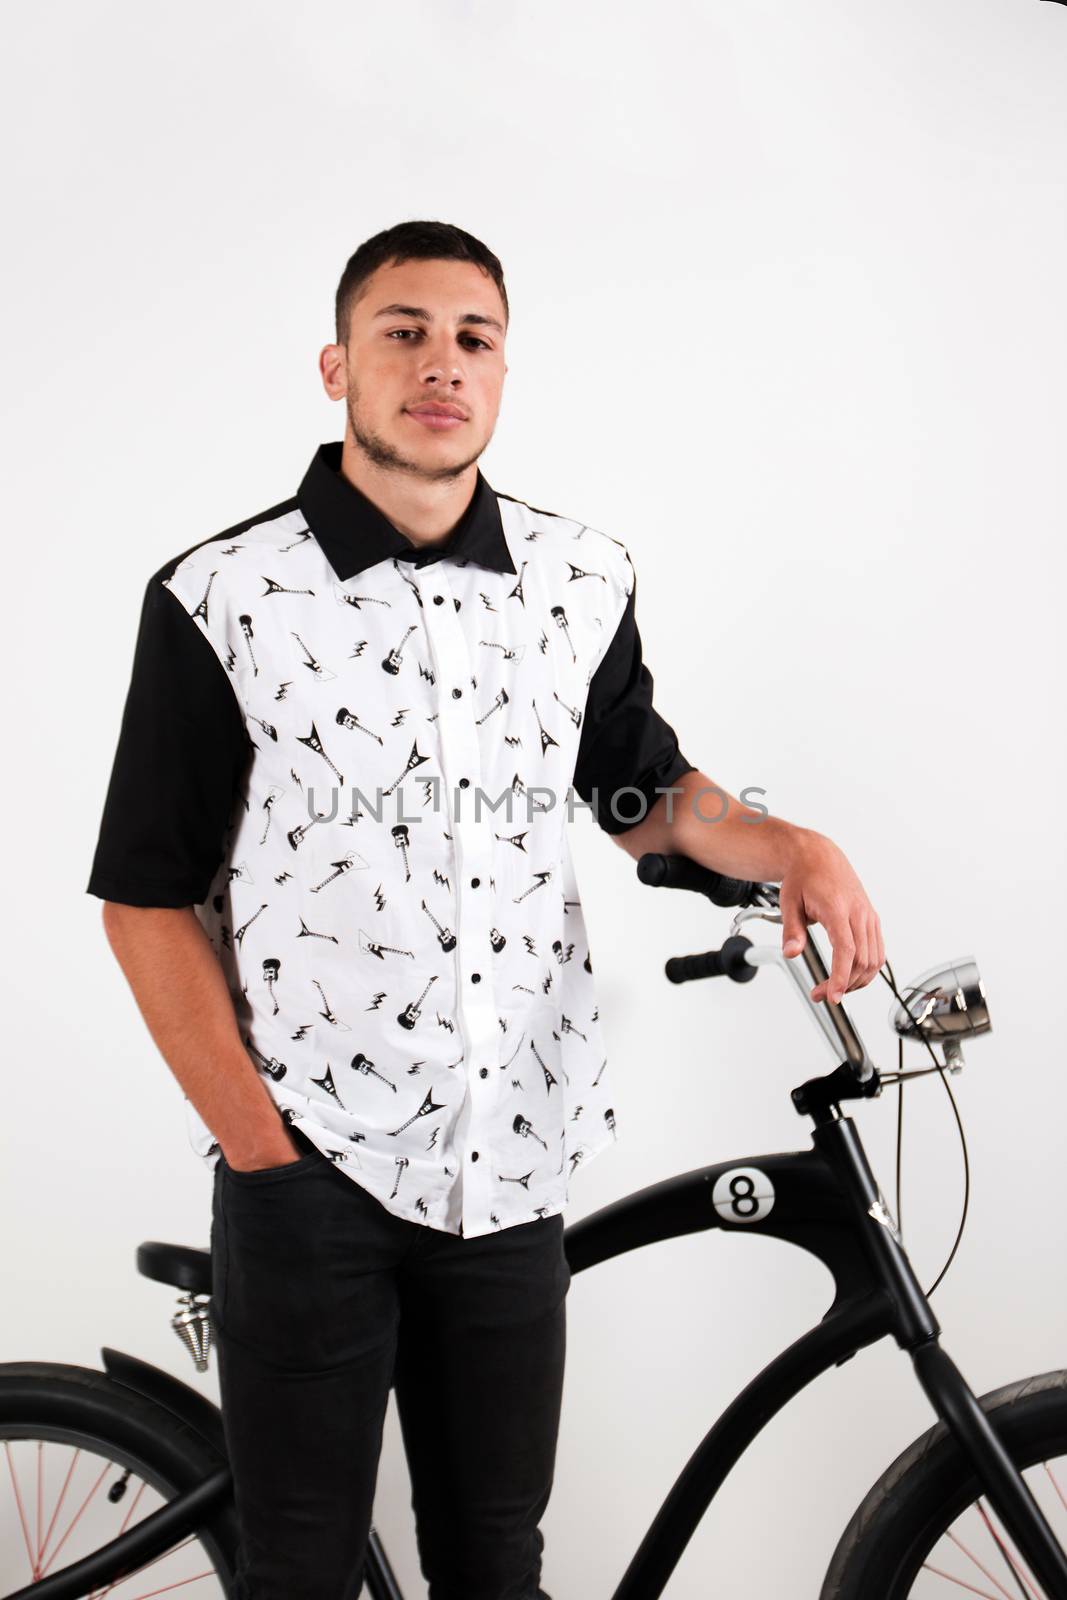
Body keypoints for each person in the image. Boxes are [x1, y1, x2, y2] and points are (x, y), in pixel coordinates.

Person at [86, 220, 884, 1600]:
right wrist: (260, 1156)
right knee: (299, 1574)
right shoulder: (223, 598)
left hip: (510, 1166)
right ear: (336, 365)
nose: (440, 363)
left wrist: (785, 845)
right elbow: (146, 902)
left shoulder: (578, 583)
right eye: (402, 331)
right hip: (310, 1169)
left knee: (497, 1566)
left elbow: (642, 800)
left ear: (505, 370)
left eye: (474, 338)